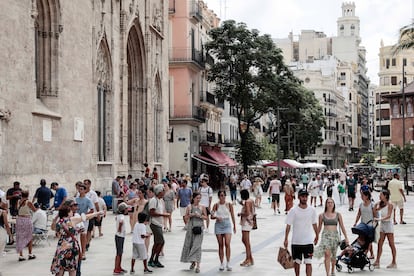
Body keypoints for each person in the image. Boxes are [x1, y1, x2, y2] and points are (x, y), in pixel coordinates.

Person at [50, 204, 101, 276]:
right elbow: (86, 217)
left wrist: (56, 218)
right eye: (70, 211)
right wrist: (97, 213)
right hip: (72, 247)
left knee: (60, 268)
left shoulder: (59, 223)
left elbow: (53, 228)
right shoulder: (71, 220)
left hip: (62, 247)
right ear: (67, 212)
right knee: (72, 269)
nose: (72, 212)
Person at [284, 189, 318, 276]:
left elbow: (314, 223)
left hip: (308, 242)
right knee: (297, 263)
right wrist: (286, 239)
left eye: (306, 196)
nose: (304, 198)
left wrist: (317, 235)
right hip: (296, 241)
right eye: (303, 196)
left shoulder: (312, 210)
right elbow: (288, 225)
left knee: (309, 263)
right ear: (299, 197)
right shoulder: (293, 210)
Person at [314, 198, 349, 276]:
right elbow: (319, 227)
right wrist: (316, 237)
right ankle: (328, 274)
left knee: (333, 255)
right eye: (328, 202)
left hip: (335, 236)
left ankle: (333, 270)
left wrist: (346, 237)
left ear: (334, 204)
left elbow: (342, 227)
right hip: (325, 236)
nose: (330, 204)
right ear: (326, 204)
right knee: (327, 254)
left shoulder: (338, 214)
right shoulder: (321, 215)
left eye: (331, 202)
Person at [180, 192, 207, 273]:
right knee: (191, 244)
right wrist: (191, 215)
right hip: (191, 228)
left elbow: (206, 217)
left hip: (199, 228)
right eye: (197, 198)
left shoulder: (202, 207)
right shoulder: (189, 207)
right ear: (193, 198)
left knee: (197, 246)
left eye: (199, 198)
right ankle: (193, 262)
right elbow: (185, 217)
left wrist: (200, 216)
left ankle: (198, 265)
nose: (198, 199)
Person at [211, 190, 236, 271]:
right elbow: (211, 216)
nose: (222, 197)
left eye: (224, 195)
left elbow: (232, 215)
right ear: (218, 197)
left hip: (227, 223)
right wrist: (216, 217)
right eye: (221, 195)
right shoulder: (216, 205)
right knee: (220, 244)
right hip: (218, 224)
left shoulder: (229, 204)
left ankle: (228, 262)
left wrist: (234, 225)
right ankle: (222, 263)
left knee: (227, 243)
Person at [373, 189, 397, 269]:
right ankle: (377, 261)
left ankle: (394, 262)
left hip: (388, 224)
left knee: (391, 243)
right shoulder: (380, 204)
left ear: (385, 196)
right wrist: (376, 205)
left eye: (381, 195)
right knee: (380, 243)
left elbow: (389, 215)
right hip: (383, 225)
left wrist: (379, 219)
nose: (380, 196)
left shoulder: (390, 204)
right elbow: (375, 210)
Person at [148, 184, 169, 268]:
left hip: (159, 223)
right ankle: (152, 259)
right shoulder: (154, 200)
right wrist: (163, 215)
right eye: (163, 190)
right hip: (154, 223)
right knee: (160, 242)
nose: (164, 192)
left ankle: (154, 259)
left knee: (158, 242)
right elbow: (152, 213)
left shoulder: (160, 200)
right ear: (159, 192)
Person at [15, 190, 37, 261]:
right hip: (27, 219)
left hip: (19, 219)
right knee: (29, 237)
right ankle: (30, 254)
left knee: (20, 237)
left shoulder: (18, 202)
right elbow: (34, 210)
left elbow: (16, 209)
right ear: (28, 195)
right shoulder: (28, 202)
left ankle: (21, 255)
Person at [353, 190, 375, 259]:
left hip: (370, 225)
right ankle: (370, 253)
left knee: (369, 240)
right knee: (363, 239)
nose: (361, 197)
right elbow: (359, 214)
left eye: (363, 195)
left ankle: (367, 253)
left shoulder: (372, 204)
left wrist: (375, 224)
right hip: (363, 225)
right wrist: (355, 222)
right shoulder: (361, 204)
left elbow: (375, 215)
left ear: (367, 196)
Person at [238, 189, 255, 267]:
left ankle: (248, 259)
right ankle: (250, 258)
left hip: (246, 222)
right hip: (249, 222)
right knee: (244, 240)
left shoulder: (247, 202)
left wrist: (240, 213)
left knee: (246, 241)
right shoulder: (250, 200)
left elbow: (247, 212)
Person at [114, 202, 129, 275]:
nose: (127, 210)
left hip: (119, 236)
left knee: (120, 252)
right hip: (120, 236)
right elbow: (121, 222)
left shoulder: (118, 215)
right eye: (126, 209)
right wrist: (119, 228)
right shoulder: (122, 216)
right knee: (119, 253)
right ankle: (116, 268)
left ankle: (119, 267)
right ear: (123, 210)